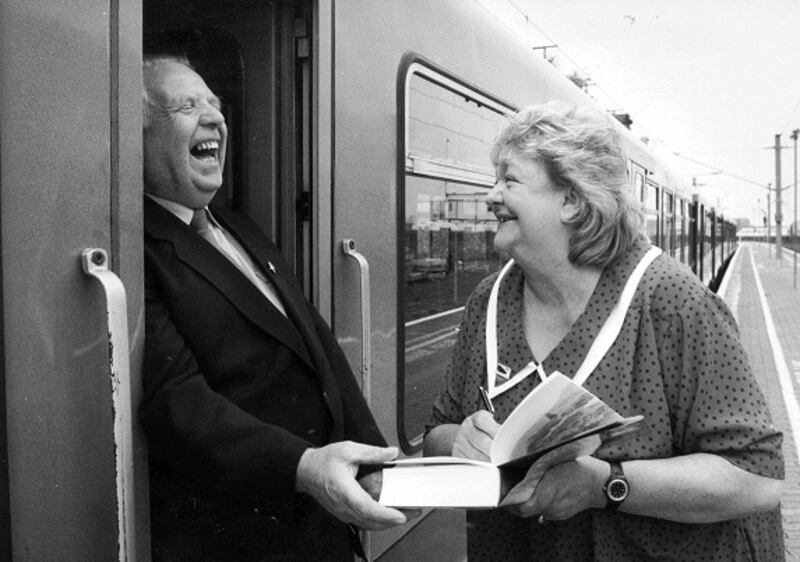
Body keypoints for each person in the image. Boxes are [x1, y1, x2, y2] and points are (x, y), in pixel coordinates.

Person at [424, 101, 785, 561]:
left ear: (572, 201)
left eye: (510, 181)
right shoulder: (488, 301)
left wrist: (604, 485)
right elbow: (437, 431)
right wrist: (458, 442)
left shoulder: (670, 301)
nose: (492, 195)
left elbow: (757, 478)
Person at [139, 54, 411, 561]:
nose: (215, 117)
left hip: (319, 526)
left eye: (216, 105)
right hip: (242, 537)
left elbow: (317, 342)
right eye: (187, 105)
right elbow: (176, 403)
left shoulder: (241, 229)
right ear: (139, 134)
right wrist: (303, 468)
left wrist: (378, 460)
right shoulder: (140, 251)